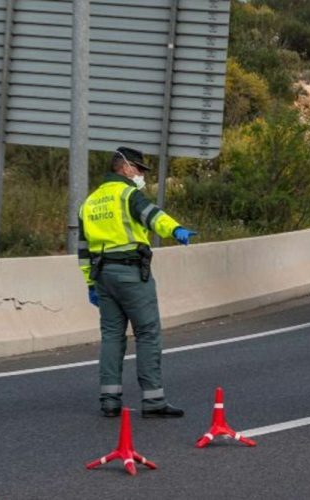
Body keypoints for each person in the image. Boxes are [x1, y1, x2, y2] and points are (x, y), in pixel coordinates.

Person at [78, 147, 197, 418]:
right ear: (126, 167)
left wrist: (90, 284)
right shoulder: (127, 194)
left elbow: (82, 248)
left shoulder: (89, 202)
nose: (141, 175)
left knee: (111, 336)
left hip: (102, 276)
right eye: (139, 169)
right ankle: (153, 401)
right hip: (130, 273)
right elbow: (153, 216)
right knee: (147, 333)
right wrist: (176, 230)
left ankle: (109, 400)